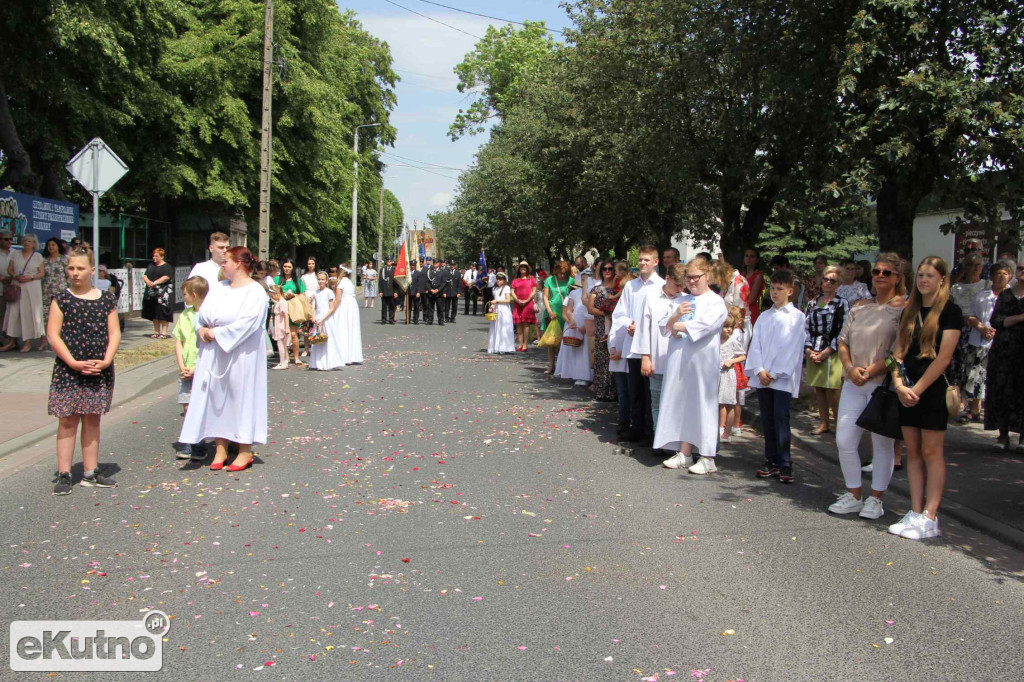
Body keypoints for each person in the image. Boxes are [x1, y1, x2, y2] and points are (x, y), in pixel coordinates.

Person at [827, 254, 907, 520]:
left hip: (881, 385)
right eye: (876, 271)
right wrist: (850, 368)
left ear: (898, 278)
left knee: (882, 444)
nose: (880, 276)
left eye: (886, 272)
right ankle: (854, 493)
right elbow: (842, 341)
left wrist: (871, 370)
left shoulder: (903, 309)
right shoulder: (859, 306)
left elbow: (899, 350)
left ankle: (876, 499)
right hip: (853, 381)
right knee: (845, 440)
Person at [887, 257, 962, 540]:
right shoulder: (910, 309)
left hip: (930, 391)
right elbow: (897, 352)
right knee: (913, 452)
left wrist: (916, 389)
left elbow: (943, 358)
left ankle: (931, 516)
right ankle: (915, 511)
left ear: (942, 279)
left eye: (930, 276)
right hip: (906, 389)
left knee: (932, 452)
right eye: (920, 275)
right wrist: (898, 383)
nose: (924, 280)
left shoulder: (950, 312)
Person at [180, 246, 269, 472]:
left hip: (242, 354)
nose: (222, 265)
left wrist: (217, 333)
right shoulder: (219, 288)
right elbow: (202, 313)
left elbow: (248, 323)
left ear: (238, 263)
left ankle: (244, 449)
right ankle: (220, 447)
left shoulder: (255, 291)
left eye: (226, 261)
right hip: (214, 352)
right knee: (217, 396)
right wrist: (200, 329)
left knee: (241, 397)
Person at [47, 246, 120, 494]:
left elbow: (114, 333)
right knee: (67, 420)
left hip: (99, 370)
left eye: (80, 268)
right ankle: (65, 473)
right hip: (69, 370)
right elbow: (53, 335)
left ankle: (90, 472)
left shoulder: (107, 299)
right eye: (71, 268)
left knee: (92, 418)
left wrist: (107, 360)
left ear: (91, 270)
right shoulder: (61, 299)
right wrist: (72, 362)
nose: (75, 273)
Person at [655, 258, 728, 472]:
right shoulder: (682, 300)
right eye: (689, 277)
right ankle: (685, 452)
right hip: (680, 362)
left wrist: (677, 324)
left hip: (702, 364)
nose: (692, 281)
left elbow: (704, 326)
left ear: (707, 276)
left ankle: (707, 457)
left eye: (697, 277)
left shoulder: (715, 302)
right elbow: (664, 327)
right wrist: (676, 316)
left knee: (703, 407)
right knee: (683, 406)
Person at [748, 270, 807, 483]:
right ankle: (770, 460)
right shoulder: (764, 316)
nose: (775, 292)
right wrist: (760, 370)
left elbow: (792, 348)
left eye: (780, 289)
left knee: (781, 418)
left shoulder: (796, 317)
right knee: (767, 419)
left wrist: (774, 373)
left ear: (790, 291)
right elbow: (756, 345)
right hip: (764, 376)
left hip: (781, 378)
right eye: (773, 288)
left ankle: (785, 463)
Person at [611, 245, 665, 446]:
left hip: (651, 347)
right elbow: (619, 312)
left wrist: (644, 329)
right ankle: (637, 427)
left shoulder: (660, 286)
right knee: (634, 390)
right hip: (632, 345)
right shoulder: (631, 286)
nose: (642, 263)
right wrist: (629, 324)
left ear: (656, 262)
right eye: (641, 259)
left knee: (650, 391)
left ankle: (651, 430)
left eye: (647, 260)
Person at [636, 263, 685, 434]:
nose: (680, 288)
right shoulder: (651, 298)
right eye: (677, 284)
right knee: (657, 401)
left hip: (678, 359)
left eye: (682, 285)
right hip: (657, 357)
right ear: (668, 278)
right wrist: (645, 356)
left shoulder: (685, 299)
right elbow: (643, 328)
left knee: (676, 403)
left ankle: (673, 441)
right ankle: (659, 439)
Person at [962, 261, 1011, 423]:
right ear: (991, 276)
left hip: (1004, 343)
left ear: (1010, 277)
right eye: (998, 273)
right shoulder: (982, 295)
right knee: (976, 377)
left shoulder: (1013, 297)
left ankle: (995, 414)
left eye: (1005, 274)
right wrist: (982, 328)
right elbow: (970, 316)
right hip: (980, 341)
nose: (1001, 277)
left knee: (999, 379)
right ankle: (974, 409)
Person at [804, 265, 850, 435]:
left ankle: (839, 425)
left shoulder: (842, 303)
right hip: (814, 349)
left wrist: (828, 351)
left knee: (834, 389)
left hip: (833, 350)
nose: (828, 283)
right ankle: (824, 423)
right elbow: (806, 327)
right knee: (819, 388)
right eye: (826, 279)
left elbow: (844, 329)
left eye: (833, 280)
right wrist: (808, 349)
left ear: (839, 284)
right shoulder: (812, 302)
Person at [984, 260, 1024, 452]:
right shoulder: (1006, 295)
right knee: (1002, 390)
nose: (1022, 272)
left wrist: (1009, 321)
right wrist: (1018, 318)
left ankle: (1022, 439)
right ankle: (1002, 436)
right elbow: (996, 320)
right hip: (1004, 352)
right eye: (1020, 268)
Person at [172, 276, 209, 460]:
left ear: (194, 295)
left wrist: (196, 368)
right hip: (186, 369)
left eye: (185, 294)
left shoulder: (207, 315)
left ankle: (199, 443)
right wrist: (182, 365)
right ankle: (188, 441)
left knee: (200, 406)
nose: (183, 297)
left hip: (201, 369)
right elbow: (179, 340)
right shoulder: (184, 316)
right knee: (187, 406)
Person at [949, 252, 988, 396]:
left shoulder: (986, 285)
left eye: (978, 265)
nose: (974, 268)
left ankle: (970, 401)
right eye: (970, 264)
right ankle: (955, 396)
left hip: (978, 329)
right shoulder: (956, 287)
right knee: (957, 364)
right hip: (958, 328)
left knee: (973, 367)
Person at [1, 233, 45, 353]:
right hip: (17, 285)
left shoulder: (37, 256)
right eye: (25, 240)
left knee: (29, 313)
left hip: (31, 286)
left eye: (29, 241)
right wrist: (15, 275)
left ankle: (28, 342)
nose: (26, 243)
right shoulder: (15, 254)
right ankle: (11, 342)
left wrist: (30, 277)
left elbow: (41, 273)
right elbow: (9, 269)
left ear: (34, 244)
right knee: (13, 313)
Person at [587, 260, 619, 401]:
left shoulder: (619, 290)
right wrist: (605, 313)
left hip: (616, 326)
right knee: (601, 359)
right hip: (601, 326)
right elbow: (590, 307)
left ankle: (614, 392)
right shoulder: (596, 289)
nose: (607, 271)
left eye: (610, 269)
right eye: (605, 269)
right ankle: (601, 391)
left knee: (614, 357)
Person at [718, 306, 747, 443]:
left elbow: (742, 356)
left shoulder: (733, 341)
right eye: (725, 327)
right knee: (719, 403)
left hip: (728, 374)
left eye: (730, 327)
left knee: (728, 402)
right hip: (717, 373)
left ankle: (726, 431)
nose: (728, 329)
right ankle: (719, 428)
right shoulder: (716, 341)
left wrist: (731, 361)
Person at [555, 280, 593, 383]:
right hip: (576, 322)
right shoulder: (574, 293)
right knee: (577, 349)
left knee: (586, 349)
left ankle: (586, 375)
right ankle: (576, 374)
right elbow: (569, 310)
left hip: (587, 321)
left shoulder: (592, 292)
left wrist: (585, 326)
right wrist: (572, 321)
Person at [542, 260, 573, 374]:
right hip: (552, 314)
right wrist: (549, 311)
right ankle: (551, 366)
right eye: (560, 273)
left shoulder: (571, 281)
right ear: (556, 271)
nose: (562, 275)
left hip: (565, 314)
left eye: (564, 273)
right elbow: (545, 297)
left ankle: (563, 367)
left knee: (564, 342)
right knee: (552, 342)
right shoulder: (549, 280)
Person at [275, 258, 306, 367]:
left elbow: (303, 294)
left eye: (289, 267)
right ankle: (286, 357)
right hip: (282, 310)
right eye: (285, 266)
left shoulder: (297, 280)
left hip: (294, 308)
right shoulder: (277, 279)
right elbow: (274, 294)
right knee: (283, 335)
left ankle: (296, 357)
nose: (287, 269)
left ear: (292, 268)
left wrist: (293, 295)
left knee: (293, 334)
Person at [39, 237, 69, 350]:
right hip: (46, 291)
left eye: (53, 245)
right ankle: (44, 340)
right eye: (49, 245)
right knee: (45, 316)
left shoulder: (64, 260)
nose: (51, 247)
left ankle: (58, 341)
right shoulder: (44, 260)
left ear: (58, 247)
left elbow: (68, 276)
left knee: (60, 316)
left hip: (60, 291)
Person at [308, 271, 341, 370]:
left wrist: (323, 319)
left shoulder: (329, 292)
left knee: (327, 340)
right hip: (318, 317)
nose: (320, 281)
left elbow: (331, 308)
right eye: (319, 279)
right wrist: (313, 317)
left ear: (326, 281)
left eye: (322, 279)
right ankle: (318, 363)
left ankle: (328, 362)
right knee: (318, 340)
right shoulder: (316, 292)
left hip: (326, 318)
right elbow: (314, 306)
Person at [332, 264, 363, 364]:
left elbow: (338, 299)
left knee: (342, 328)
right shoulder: (350, 282)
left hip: (344, 307)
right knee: (351, 329)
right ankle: (352, 355)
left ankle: (342, 355)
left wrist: (332, 310)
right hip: (352, 306)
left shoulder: (340, 283)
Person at [141, 248, 174, 338]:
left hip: (163, 293)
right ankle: (156, 331)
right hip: (152, 293)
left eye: (156, 256)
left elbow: (166, 277)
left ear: (162, 257)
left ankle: (164, 333)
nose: (154, 257)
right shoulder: (151, 265)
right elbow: (144, 275)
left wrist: (154, 282)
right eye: (153, 255)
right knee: (154, 312)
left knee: (163, 311)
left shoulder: (167, 267)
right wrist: (148, 282)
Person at [511, 262, 538, 352]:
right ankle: (520, 343)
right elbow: (512, 291)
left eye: (525, 267)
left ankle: (525, 344)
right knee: (518, 324)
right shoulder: (516, 279)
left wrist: (527, 300)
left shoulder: (531, 278)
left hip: (528, 303)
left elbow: (534, 291)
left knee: (526, 324)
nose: (523, 268)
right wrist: (517, 300)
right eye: (521, 267)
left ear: (527, 268)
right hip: (517, 303)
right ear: (519, 268)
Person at [487, 272, 515, 353]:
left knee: (504, 327)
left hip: (504, 310)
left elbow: (508, 300)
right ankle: (496, 346)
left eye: (500, 279)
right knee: (496, 327)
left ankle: (505, 347)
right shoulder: (495, 289)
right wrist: (492, 307)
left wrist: (497, 301)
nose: (498, 281)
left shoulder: (506, 288)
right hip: (497, 309)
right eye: (497, 279)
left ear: (504, 280)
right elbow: (494, 300)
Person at [269, 286, 291, 370]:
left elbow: (286, 314)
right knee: (281, 344)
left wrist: (286, 327)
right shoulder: (280, 302)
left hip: (281, 324)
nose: (272, 297)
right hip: (279, 323)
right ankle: (283, 361)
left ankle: (283, 362)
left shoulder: (282, 302)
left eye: (273, 295)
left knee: (281, 344)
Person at [742, 248, 765, 325]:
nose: (749, 258)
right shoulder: (742, 275)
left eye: (752, 256)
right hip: (739, 308)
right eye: (746, 256)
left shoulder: (758, 276)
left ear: (757, 260)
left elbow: (752, 299)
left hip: (750, 310)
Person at [0, 229, 12, 344]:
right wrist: (2, 278)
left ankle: (11, 340)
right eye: (5, 239)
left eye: (10, 239)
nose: (9, 241)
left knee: (11, 316)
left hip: (12, 289)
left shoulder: (14, 253)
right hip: (1, 288)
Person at [379, 255, 398, 324]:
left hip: (392, 291)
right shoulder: (383, 269)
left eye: (390, 261)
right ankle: (384, 320)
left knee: (391, 306)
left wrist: (396, 292)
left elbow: (396, 282)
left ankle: (391, 319)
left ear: (392, 261)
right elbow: (380, 281)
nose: (389, 262)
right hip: (384, 291)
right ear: (386, 262)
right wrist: (380, 291)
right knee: (384, 307)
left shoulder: (394, 270)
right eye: (388, 261)